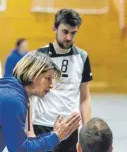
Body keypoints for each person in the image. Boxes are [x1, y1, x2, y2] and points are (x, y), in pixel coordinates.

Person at [0, 51, 81, 152]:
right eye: (48, 79)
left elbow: (21, 142)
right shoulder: (13, 101)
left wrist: (53, 135)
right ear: (33, 74)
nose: (51, 85)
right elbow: (20, 150)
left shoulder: (9, 91)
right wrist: (56, 137)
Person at [32, 8, 93, 152]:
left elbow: (85, 97)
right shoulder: (39, 56)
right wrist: (28, 130)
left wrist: (86, 129)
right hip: (43, 126)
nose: (69, 38)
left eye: (73, 33)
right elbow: (29, 95)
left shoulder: (82, 57)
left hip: (71, 127)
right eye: (65, 32)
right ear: (54, 28)